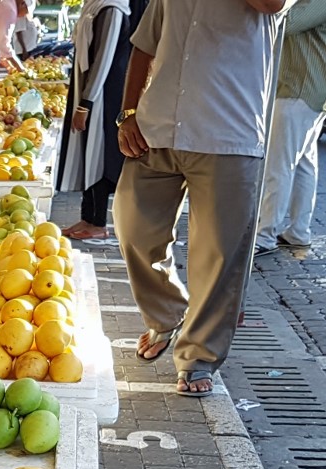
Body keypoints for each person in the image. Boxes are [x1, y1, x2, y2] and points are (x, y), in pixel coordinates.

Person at [112, 0, 289, 398]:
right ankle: (167, 311)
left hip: (228, 131)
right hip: (157, 126)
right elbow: (145, 43)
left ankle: (198, 357)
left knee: (219, 253)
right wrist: (128, 113)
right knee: (132, 224)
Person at [255, 0, 326, 255]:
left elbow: (284, 21)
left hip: (300, 89)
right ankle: (298, 231)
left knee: (279, 164)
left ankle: (265, 235)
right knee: (303, 163)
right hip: (306, 89)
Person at [56, 0, 146, 243]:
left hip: (104, 96)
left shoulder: (113, 9)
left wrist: (86, 103)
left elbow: (104, 59)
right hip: (91, 93)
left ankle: (97, 222)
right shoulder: (98, 6)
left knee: (99, 157)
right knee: (89, 155)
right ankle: (88, 218)